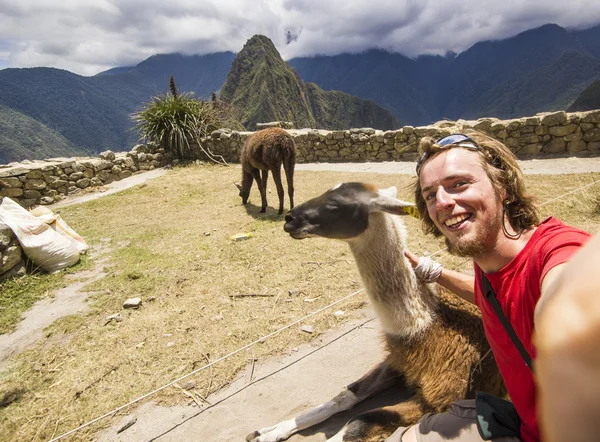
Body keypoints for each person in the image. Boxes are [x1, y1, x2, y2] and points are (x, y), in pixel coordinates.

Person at [385, 131, 596, 442]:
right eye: (431, 195)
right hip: (526, 425)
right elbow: (494, 295)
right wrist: (434, 272)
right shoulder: (490, 261)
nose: (443, 202)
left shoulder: (555, 252)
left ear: (503, 187)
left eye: (459, 184)